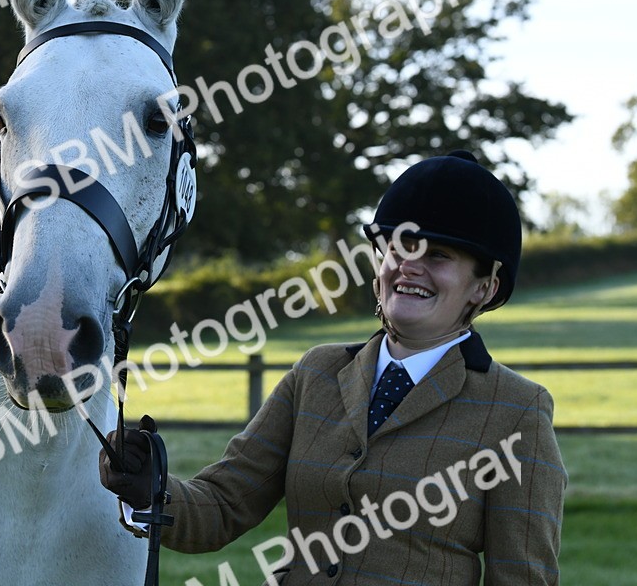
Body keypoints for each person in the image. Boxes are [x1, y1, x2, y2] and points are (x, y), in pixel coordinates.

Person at [100, 150, 566, 585]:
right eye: (399, 250)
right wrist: (152, 487)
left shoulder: (516, 411)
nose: (409, 268)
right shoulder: (316, 373)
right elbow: (224, 504)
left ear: (484, 287)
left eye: (438, 256)